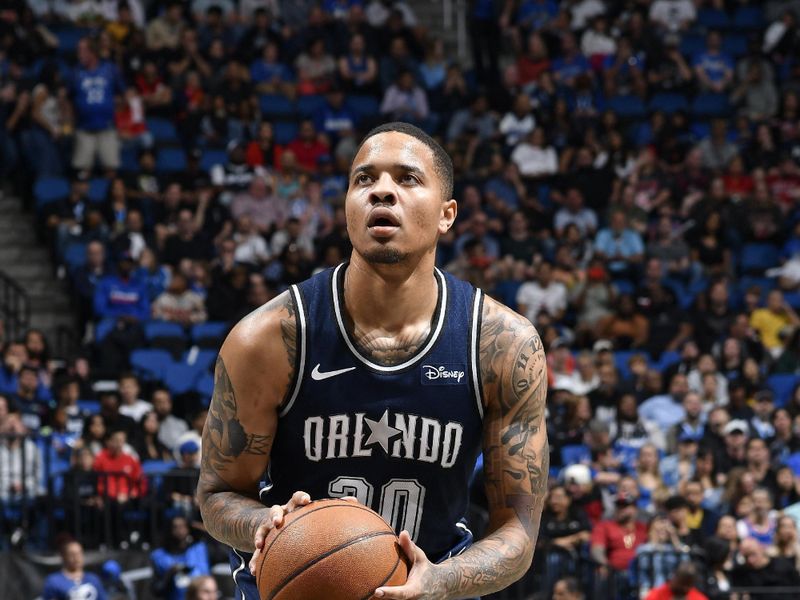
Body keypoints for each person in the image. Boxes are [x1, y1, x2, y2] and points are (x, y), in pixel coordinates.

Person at [196, 122, 550, 599]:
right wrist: (270, 523)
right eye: (364, 179)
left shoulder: (502, 344)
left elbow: (520, 533)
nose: (381, 191)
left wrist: (439, 582)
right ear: (346, 208)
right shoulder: (268, 338)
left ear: (447, 215)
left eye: (407, 178)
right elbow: (218, 494)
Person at [43, 539, 108, 600]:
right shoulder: (54, 581)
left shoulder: (93, 579)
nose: (76, 558)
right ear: (64, 556)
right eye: (72, 554)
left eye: (79, 553)